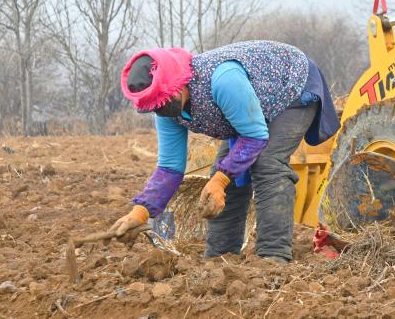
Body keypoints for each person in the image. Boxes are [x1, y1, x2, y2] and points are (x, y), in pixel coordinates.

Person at [110, 40, 340, 263]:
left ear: (177, 82)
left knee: (267, 163)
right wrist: (141, 211)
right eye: (156, 107)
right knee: (224, 173)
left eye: (165, 102)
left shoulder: (222, 81)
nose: (162, 110)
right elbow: (169, 168)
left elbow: (254, 137)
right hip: (251, 105)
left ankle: (273, 255)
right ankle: (219, 258)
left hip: (290, 86)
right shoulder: (166, 110)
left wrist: (221, 179)